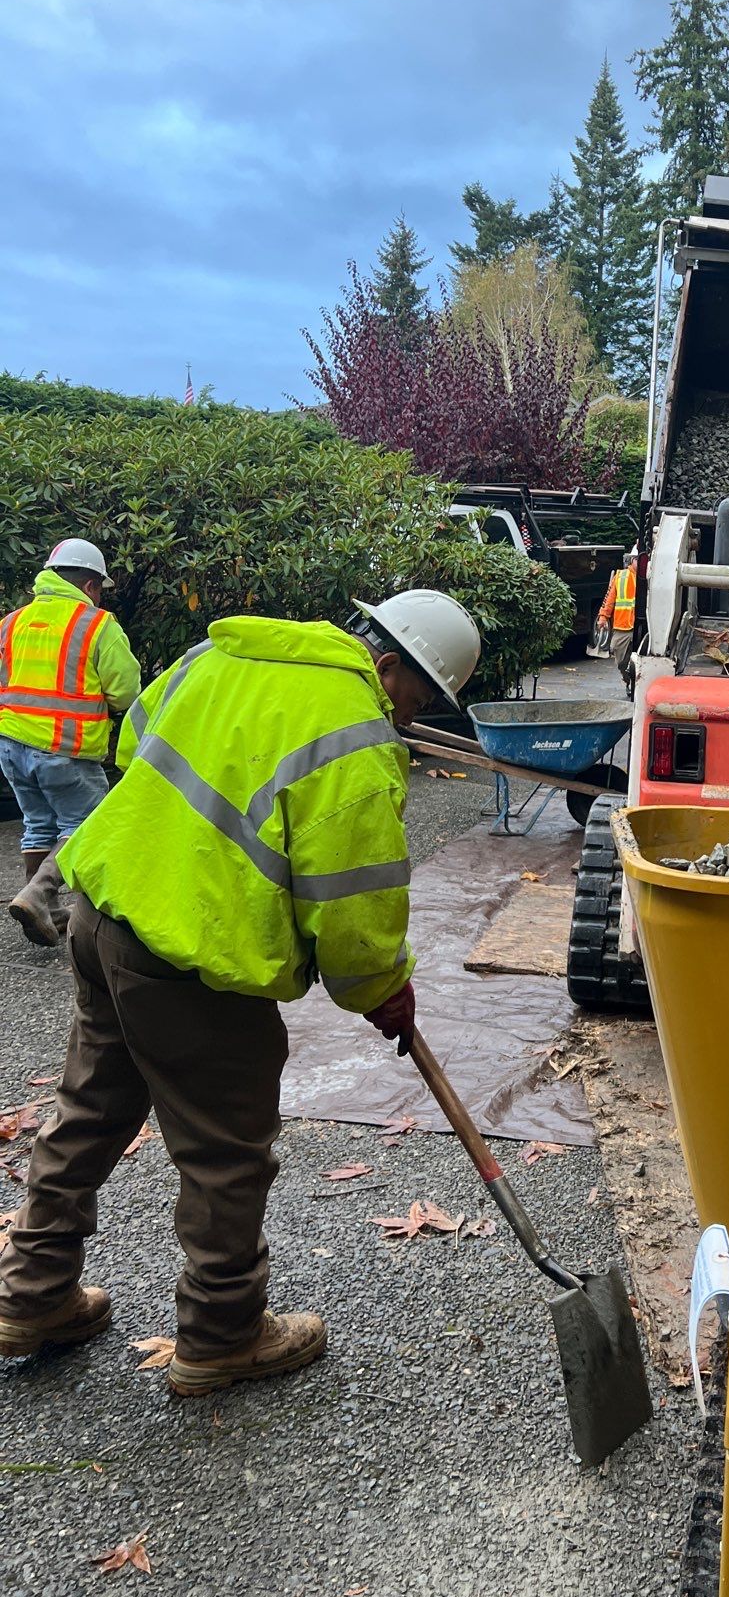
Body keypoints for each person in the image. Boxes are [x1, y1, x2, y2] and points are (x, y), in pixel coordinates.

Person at [0, 588, 481, 1398]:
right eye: (418, 695)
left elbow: (134, 746)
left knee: (90, 1107)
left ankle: (30, 1295)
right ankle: (223, 1334)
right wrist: (380, 990)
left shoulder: (216, 656)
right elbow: (353, 906)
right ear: (388, 663)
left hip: (106, 911)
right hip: (194, 957)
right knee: (227, 1149)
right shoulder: (354, 739)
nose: (408, 714)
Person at [2, 540, 141, 946]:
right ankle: (40, 894)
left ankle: (49, 911)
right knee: (89, 824)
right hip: (65, 748)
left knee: (38, 823)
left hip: (10, 745)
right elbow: (127, 692)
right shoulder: (97, 624)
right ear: (91, 585)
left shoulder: (12, 621)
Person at [596, 547, 637, 686]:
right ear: (632, 560)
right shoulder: (621, 576)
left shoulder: (651, 576)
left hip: (643, 626)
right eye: (637, 559)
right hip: (623, 625)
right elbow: (609, 598)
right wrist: (603, 616)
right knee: (621, 661)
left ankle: (636, 683)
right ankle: (628, 680)